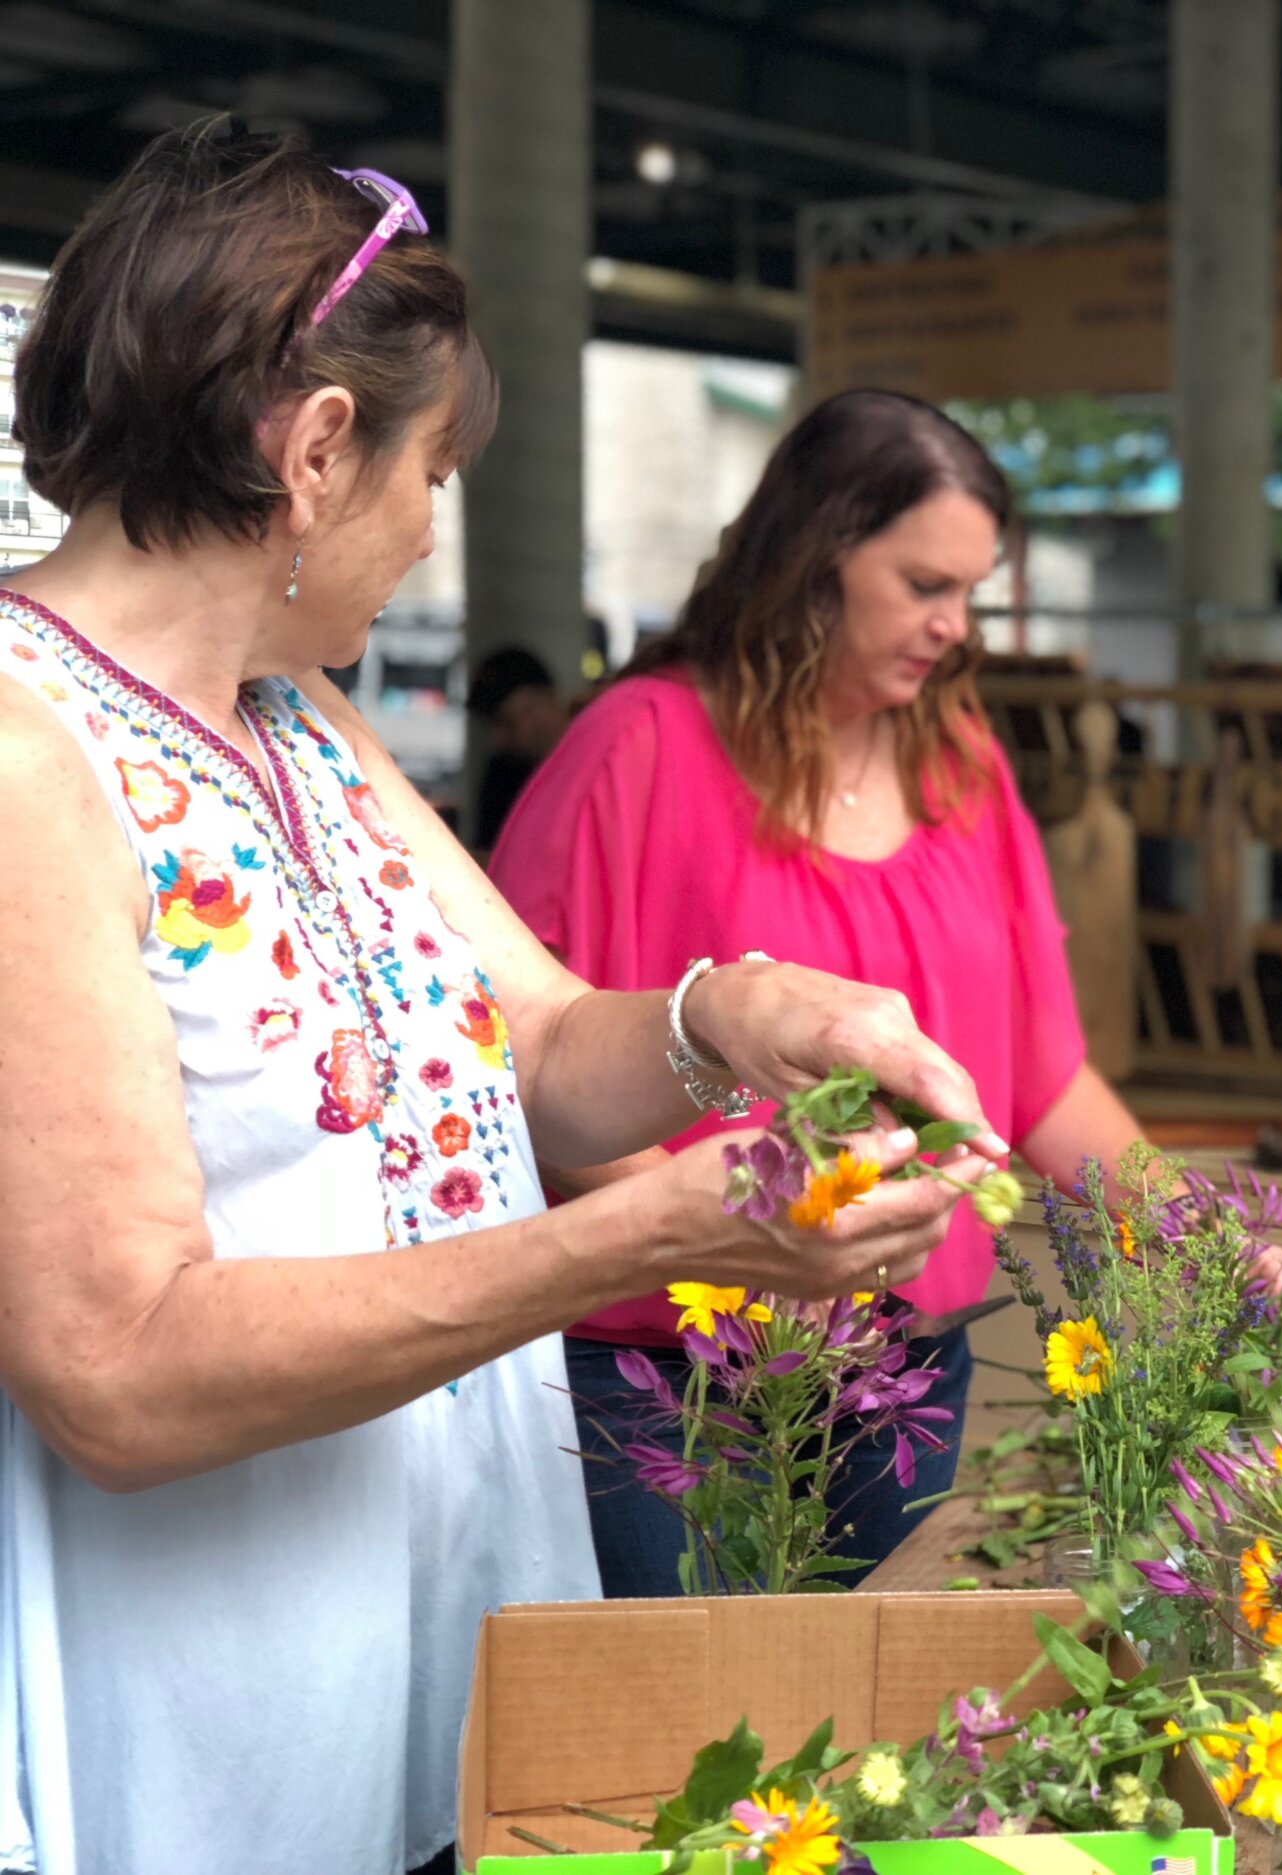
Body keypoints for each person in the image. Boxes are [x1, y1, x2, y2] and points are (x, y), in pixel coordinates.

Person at [0, 127, 1000, 1875]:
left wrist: (731, 1020)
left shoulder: (294, 718)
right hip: (224, 1718)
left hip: (437, 1658)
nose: (431, 525)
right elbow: (119, 1368)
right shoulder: (27, 755)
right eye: (431, 471)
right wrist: (638, 1242)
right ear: (316, 453)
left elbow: (531, 1043)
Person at [489, 388, 1145, 1593]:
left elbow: (1039, 1077)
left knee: (865, 1742)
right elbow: (513, 1067)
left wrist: (1187, 1225)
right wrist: (728, 1253)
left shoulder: (961, 766)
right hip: (670, 1387)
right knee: (688, 1747)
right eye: (924, 586)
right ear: (815, 562)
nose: (957, 625)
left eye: (972, 591)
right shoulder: (636, 748)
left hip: (904, 1373)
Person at [465, 642, 569, 852]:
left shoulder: (589, 761)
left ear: (539, 704)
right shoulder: (502, 776)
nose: (499, 739)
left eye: (507, 722)